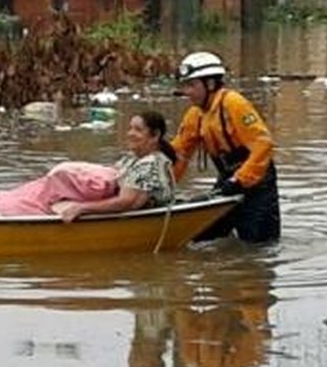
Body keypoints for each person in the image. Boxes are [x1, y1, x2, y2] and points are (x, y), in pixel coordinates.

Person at [170, 51, 281, 243]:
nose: (187, 92)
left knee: (257, 244)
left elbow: (263, 144)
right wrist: (164, 185)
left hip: (257, 183)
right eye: (185, 86)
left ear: (210, 84)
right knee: (201, 235)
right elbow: (179, 153)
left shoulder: (233, 103)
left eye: (191, 85)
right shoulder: (195, 114)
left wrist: (240, 180)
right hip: (228, 180)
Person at [49, 111, 177, 223]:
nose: (130, 133)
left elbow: (127, 202)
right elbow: (109, 174)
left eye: (138, 130)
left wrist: (82, 208)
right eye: (130, 128)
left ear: (155, 135)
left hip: (140, 220)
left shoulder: (150, 164)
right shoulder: (133, 158)